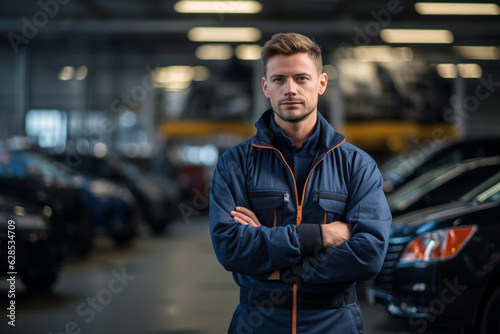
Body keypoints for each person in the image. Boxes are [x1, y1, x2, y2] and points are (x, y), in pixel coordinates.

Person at [209, 32, 392, 334]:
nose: (290, 89)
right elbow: (230, 247)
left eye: (301, 78)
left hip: (334, 324)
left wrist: (285, 270)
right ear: (266, 86)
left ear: (321, 83)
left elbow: (369, 253)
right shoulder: (236, 163)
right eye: (279, 79)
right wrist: (318, 235)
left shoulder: (357, 165)